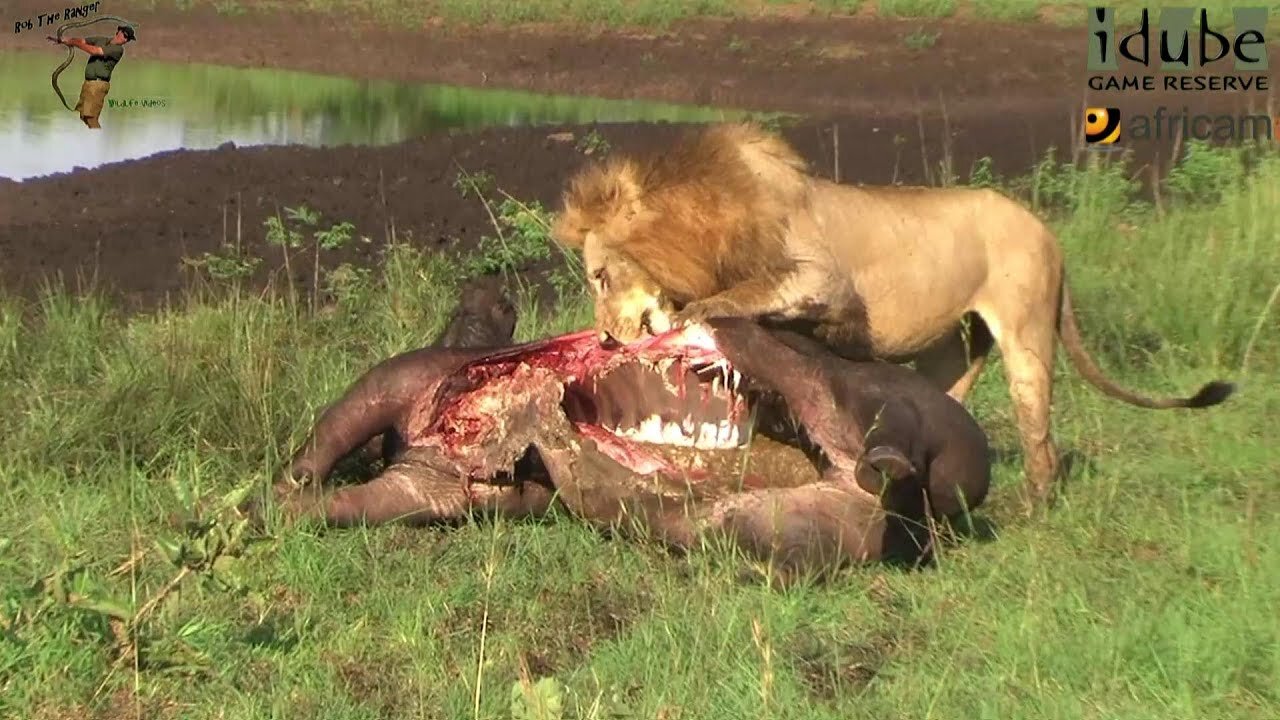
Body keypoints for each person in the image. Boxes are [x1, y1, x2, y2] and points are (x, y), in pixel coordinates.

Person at [45, 24, 136, 129]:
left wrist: (73, 43)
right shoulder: (101, 40)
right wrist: (64, 40)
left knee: (91, 118)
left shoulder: (118, 50)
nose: (125, 39)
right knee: (84, 116)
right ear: (118, 31)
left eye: (127, 39)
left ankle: (96, 135)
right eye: (124, 35)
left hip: (98, 85)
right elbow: (83, 41)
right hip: (89, 84)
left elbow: (95, 51)